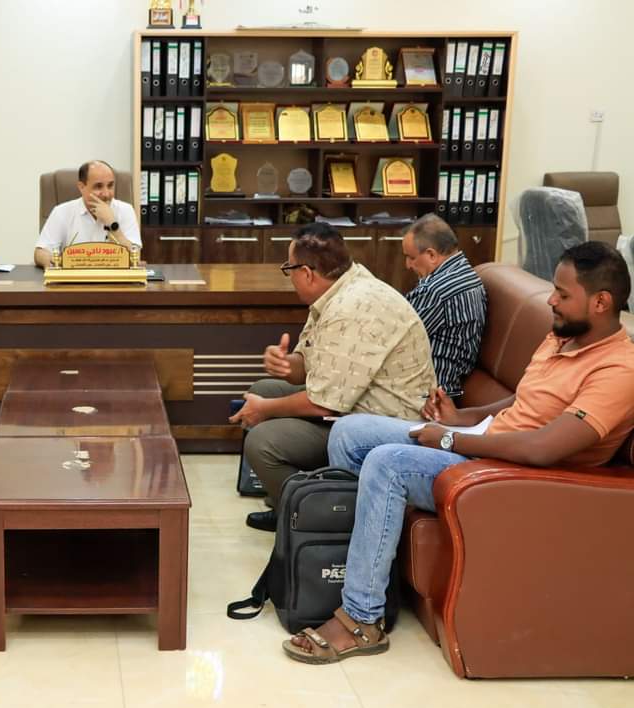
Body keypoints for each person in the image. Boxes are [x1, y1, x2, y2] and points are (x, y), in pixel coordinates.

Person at [286, 242, 634, 665]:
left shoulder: (619, 370)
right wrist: (460, 418)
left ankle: (362, 618)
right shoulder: (563, 337)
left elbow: (543, 448)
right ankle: (366, 570)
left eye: (562, 294)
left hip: (513, 476)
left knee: (387, 465)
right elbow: (523, 404)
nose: (551, 301)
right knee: (348, 432)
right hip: (487, 444)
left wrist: (451, 439)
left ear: (601, 302)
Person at [229, 223, 435, 532]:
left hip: (384, 425)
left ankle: (311, 518)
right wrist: (286, 364)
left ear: (307, 273)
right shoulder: (338, 290)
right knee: (265, 388)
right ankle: (287, 504)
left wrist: (264, 410)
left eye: (288, 269)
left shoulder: (352, 307)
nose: (289, 277)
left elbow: (324, 404)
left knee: (262, 441)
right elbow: (308, 365)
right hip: (354, 406)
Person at [401, 214, 487, 396]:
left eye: (411, 257)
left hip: (428, 395)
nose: (407, 265)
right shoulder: (467, 274)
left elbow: (396, 339)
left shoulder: (435, 291)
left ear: (431, 255)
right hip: (448, 385)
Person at [34, 160, 141, 269]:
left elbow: (135, 258)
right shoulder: (61, 212)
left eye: (110, 185)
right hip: (74, 277)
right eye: (98, 186)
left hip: (114, 278)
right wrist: (53, 261)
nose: (106, 194)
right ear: (81, 187)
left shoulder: (125, 210)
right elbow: (40, 252)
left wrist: (113, 225)